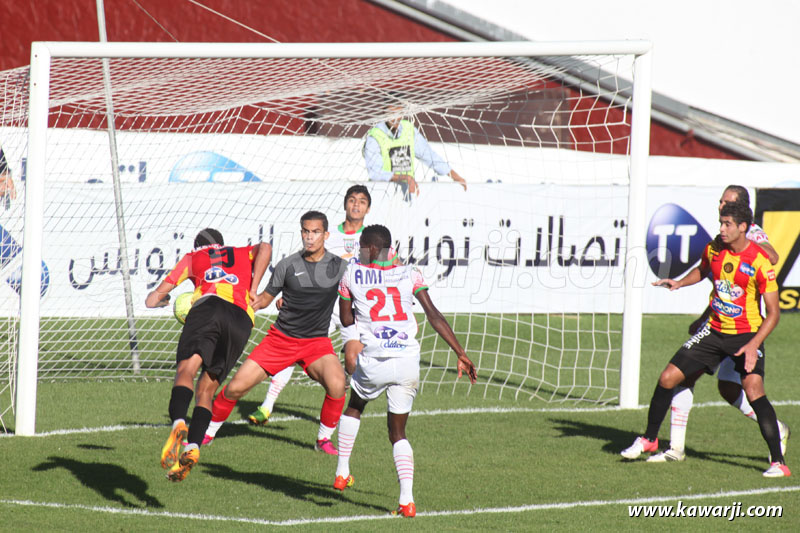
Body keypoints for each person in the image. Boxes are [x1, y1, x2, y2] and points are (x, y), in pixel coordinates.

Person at [621, 202, 790, 478]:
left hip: (746, 335)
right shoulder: (714, 248)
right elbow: (702, 270)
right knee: (668, 377)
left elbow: (773, 313)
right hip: (713, 330)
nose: (721, 229)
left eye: (727, 224)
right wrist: (679, 282)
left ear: (743, 227)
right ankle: (650, 439)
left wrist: (753, 345)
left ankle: (779, 463)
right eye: (721, 222)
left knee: (753, 390)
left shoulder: (759, 260)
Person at [333, 224, 478, 517]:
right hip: (407, 361)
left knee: (355, 406)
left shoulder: (351, 273)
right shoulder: (410, 273)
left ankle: (342, 471)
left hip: (375, 359)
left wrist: (358, 305)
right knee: (398, 432)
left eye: (362, 246)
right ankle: (407, 501)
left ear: (372, 248)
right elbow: (434, 315)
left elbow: (346, 321)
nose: (359, 250)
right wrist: (460, 353)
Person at [208, 211, 349, 456]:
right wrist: (249, 301)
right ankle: (207, 432)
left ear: (326, 235)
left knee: (337, 385)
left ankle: (323, 439)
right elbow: (265, 299)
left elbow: (363, 287)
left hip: (316, 343)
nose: (310, 237)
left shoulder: (339, 267)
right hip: (280, 340)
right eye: (306, 231)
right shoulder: (288, 265)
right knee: (235, 388)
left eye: (316, 232)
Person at [145, 228, 271, 482]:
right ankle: (193, 446)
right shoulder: (241, 252)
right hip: (241, 320)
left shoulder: (192, 258)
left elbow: (150, 300)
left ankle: (179, 424)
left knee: (186, 370)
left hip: (208, 308)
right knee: (207, 389)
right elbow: (266, 247)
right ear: (221, 244)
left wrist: (163, 300)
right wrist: (254, 287)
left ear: (197, 245)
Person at [242, 185, 370, 431]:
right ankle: (267, 406)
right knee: (291, 350)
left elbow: (381, 270)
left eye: (362, 201)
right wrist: (290, 296)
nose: (356, 205)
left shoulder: (371, 239)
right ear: (345, 204)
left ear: (368, 208)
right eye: (352, 200)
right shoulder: (327, 234)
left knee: (353, 360)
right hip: (319, 307)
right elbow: (301, 270)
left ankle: (349, 408)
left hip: (349, 308)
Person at [363, 97, 467, 197]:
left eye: (399, 113)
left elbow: (429, 156)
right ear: (384, 111)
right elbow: (375, 173)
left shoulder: (408, 129)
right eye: (392, 113)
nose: (396, 118)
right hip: (381, 193)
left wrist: (454, 175)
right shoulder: (374, 137)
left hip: (407, 191)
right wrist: (405, 178)